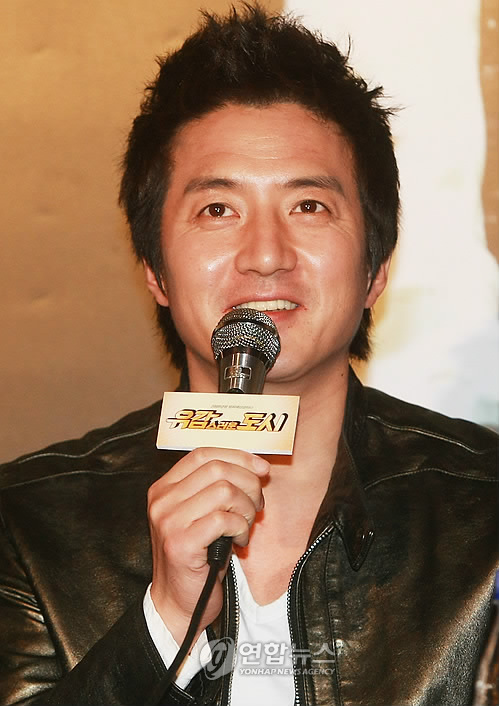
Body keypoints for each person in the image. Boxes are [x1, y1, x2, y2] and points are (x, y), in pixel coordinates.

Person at [0, 5, 497, 705]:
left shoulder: (484, 511)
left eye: (308, 207)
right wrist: (162, 627)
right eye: (218, 210)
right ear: (154, 271)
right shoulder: (29, 525)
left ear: (375, 270)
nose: (265, 255)